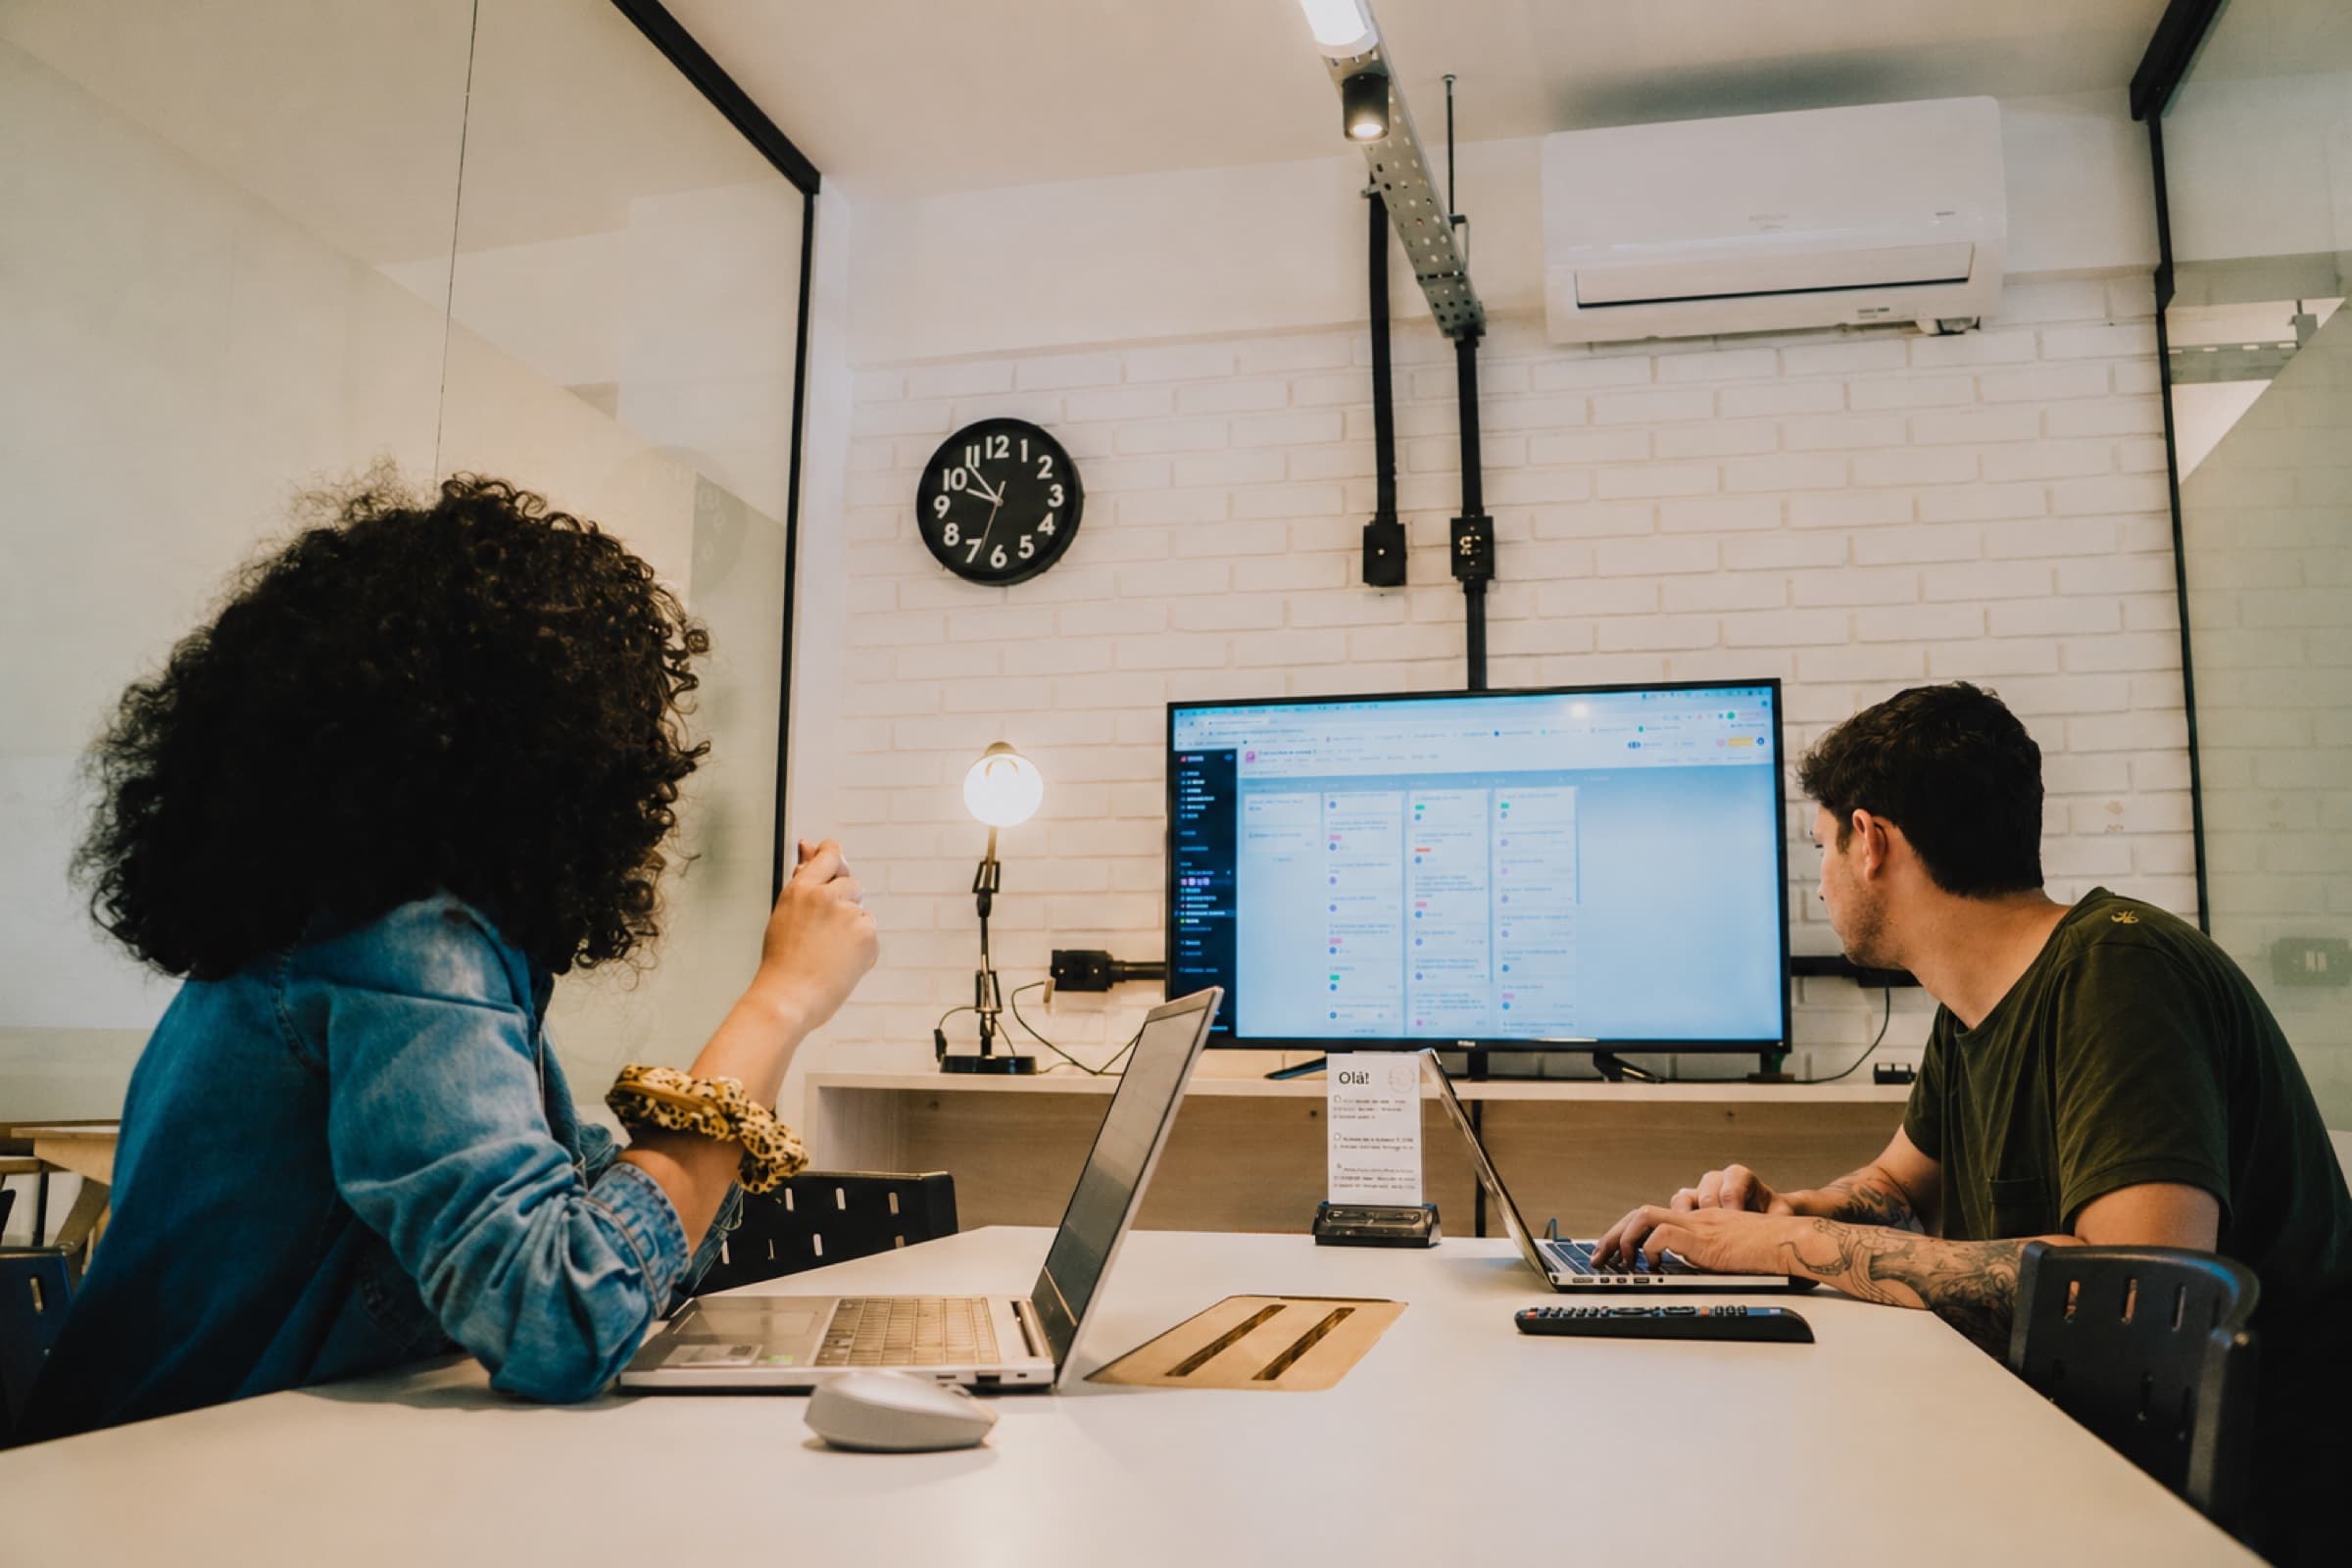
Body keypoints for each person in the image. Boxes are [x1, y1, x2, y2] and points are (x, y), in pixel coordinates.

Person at [18, 475, 877, 1443]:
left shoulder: (350, 932)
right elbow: (563, 1314)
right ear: (543, 744)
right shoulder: (403, 941)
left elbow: (620, 1227)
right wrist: (780, 1001)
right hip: (153, 1495)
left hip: (215, 1462)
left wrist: (705, 1112)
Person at [1592, 681, 2348, 1566]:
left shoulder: (2121, 973)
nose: (1823, 881)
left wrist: (1777, 1253)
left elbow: (2135, 1297)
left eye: (1820, 848)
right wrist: (1782, 1213)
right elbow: (1895, 1192)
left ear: (1871, 842)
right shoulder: (1974, 1007)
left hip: (2237, 1514)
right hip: (2100, 1455)